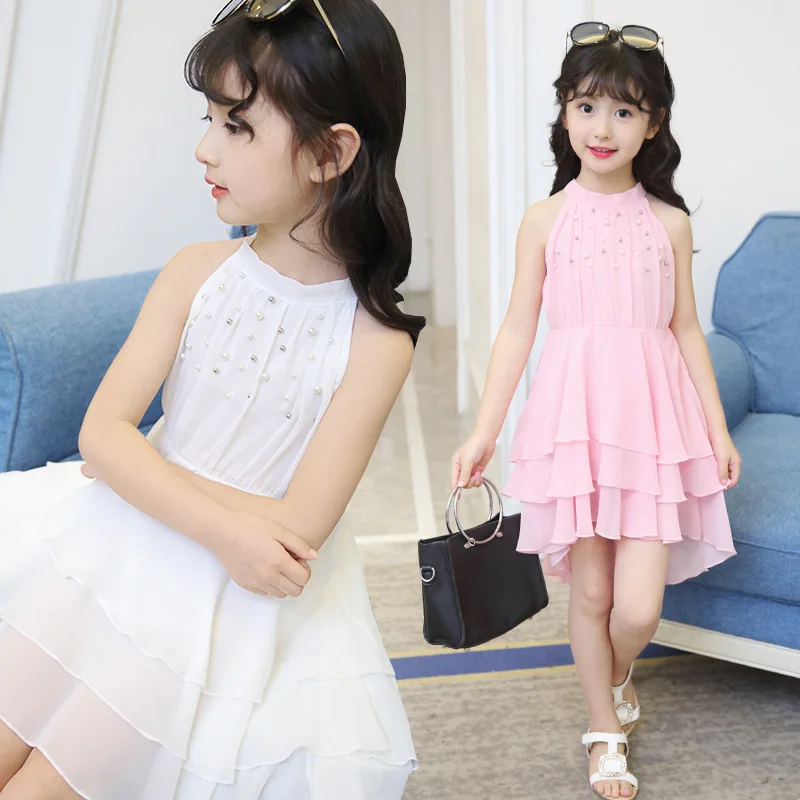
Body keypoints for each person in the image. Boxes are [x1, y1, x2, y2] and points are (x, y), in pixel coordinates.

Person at [0, 0, 423, 797]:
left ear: (331, 152)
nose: (205, 147)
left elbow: (297, 529)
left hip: (215, 615)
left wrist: (138, 469)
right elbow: (100, 435)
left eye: (237, 126)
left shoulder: (377, 342)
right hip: (105, 551)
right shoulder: (196, 270)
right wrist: (224, 525)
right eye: (210, 120)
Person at [451, 23, 740, 799]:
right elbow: (519, 329)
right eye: (586, 106)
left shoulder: (669, 223)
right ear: (564, 113)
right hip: (575, 424)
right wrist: (484, 431)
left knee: (637, 607)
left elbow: (685, 329)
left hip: (653, 428)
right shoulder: (545, 220)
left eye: (623, 110)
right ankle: (604, 731)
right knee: (590, 594)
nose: (602, 127)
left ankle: (614, 674)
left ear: (653, 124)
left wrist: (715, 429)